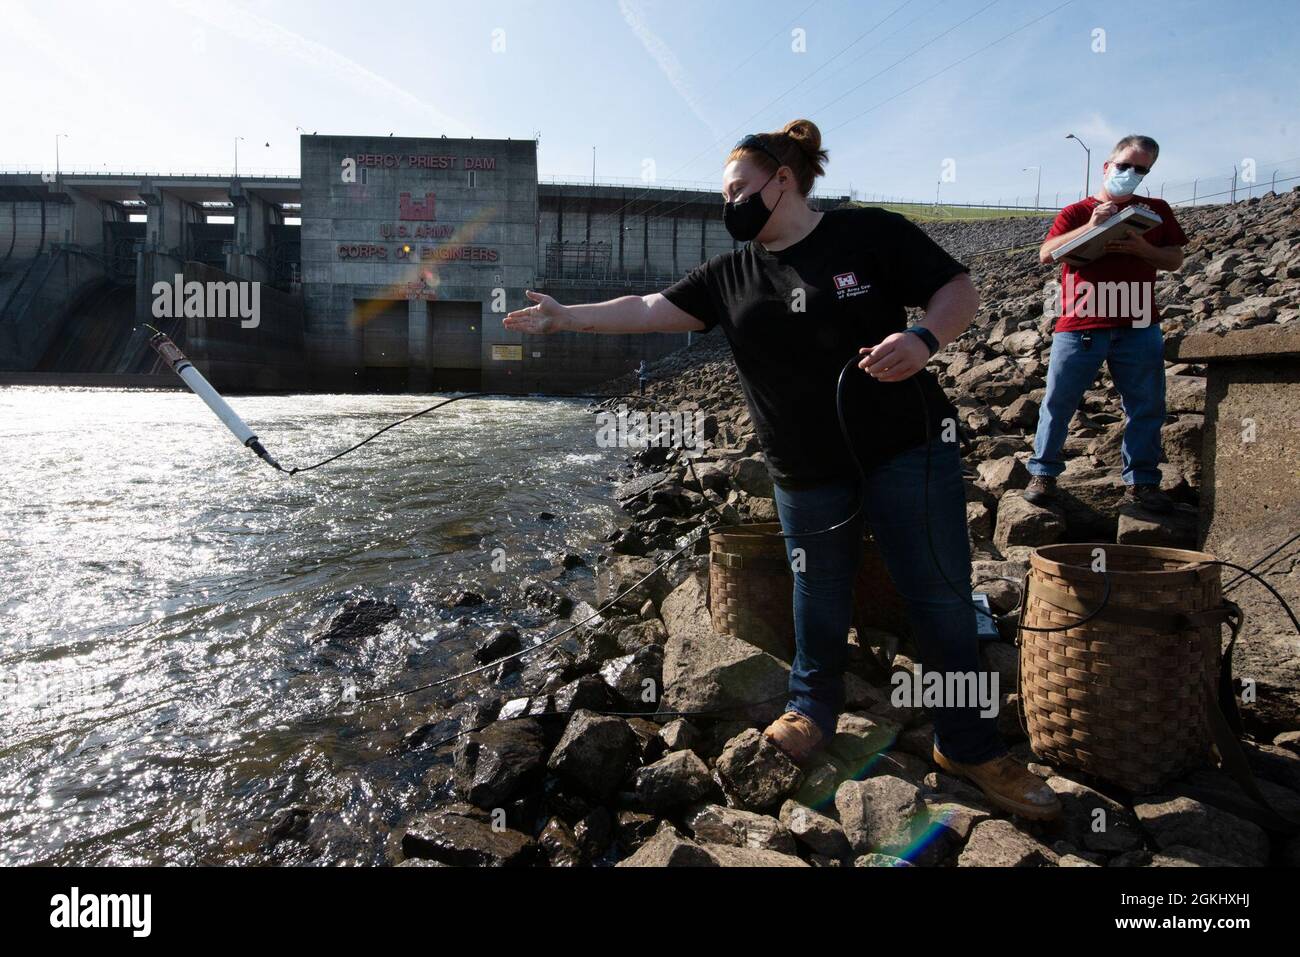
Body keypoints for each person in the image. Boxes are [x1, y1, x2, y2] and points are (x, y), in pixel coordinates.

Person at [505, 119, 1060, 820]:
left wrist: (923, 339)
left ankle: (970, 745)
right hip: (804, 470)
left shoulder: (868, 233)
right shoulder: (729, 275)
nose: (729, 204)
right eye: (724, 194)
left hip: (907, 449)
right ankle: (812, 709)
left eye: (738, 188)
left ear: (783, 179)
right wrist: (567, 317)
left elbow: (959, 289)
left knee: (941, 596)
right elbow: (647, 308)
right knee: (817, 595)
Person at [1025, 134, 1188, 512]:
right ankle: (1043, 474)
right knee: (1059, 401)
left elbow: (1174, 259)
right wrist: (1092, 228)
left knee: (1146, 405)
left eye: (1141, 169)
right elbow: (1046, 254)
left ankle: (1142, 483)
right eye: (1125, 165)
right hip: (1080, 322)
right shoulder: (1076, 211)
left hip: (1138, 323)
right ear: (1107, 166)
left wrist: (1141, 249)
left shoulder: (1157, 210)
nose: (1131, 174)